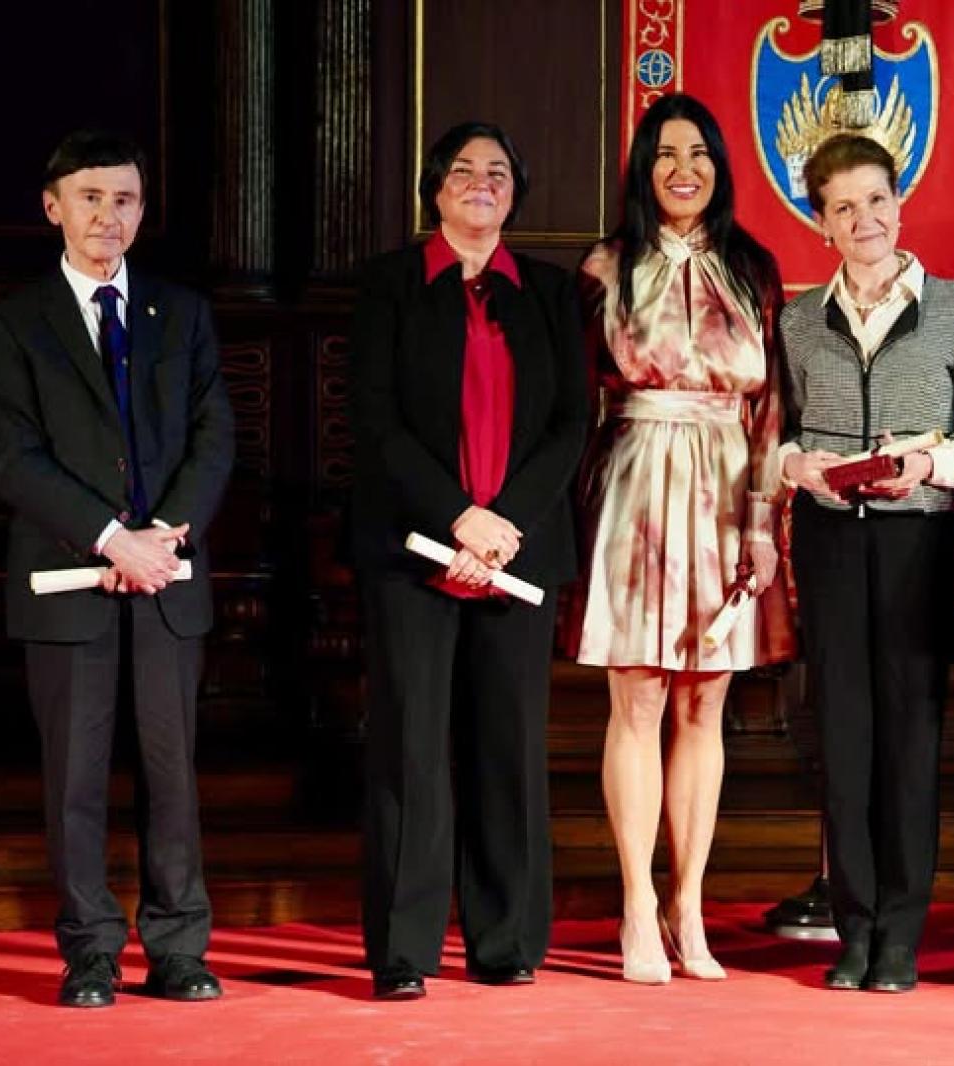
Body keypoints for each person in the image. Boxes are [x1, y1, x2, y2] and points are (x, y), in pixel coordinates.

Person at [0, 130, 235, 1007]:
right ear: (53, 206)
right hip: (67, 582)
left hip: (166, 580)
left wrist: (159, 539)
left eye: (123, 199)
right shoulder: (16, 322)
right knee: (76, 779)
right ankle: (90, 952)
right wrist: (108, 538)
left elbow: (213, 436)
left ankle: (178, 948)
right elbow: (13, 458)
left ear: (141, 209)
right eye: (90, 198)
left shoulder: (182, 314)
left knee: (172, 775)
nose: (107, 216)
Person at [349, 121, 588, 1000]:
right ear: (434, 187)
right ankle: (403, 952)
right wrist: (456, 518)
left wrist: (503, 525)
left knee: (508, 746)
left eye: (497, 172)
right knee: (411, 749)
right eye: (462, 169)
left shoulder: (552, 293)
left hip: (519, 554)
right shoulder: (388, 285)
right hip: (412, 547)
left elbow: (571, 422)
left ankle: (506, 940)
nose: (480, 183)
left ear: (515, 191)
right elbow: (375, 419)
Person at [566, 92, 794, 984]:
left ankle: (687, 903)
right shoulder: (605, 267)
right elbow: (574, 398)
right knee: (638, 701)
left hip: (729, 485)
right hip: (633, 479)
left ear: (720, 167)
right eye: (665, 154)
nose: (683, 169)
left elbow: (772, 408)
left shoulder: (753, 268)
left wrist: (763, 522)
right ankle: (634, 903)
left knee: (706, 703)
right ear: (642, 168)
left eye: (698, 153)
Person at [779, 133, 954, 993]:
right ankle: (855, 929)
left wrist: (930, 461)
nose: (863, 218)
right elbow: (779, 430)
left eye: (876, 200)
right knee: (843, 733)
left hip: (919, 538)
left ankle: (901, 934)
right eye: (843, 207)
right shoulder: (799, 320)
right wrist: (795, 466)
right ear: (821, 223)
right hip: (830, 539)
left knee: (910, 732)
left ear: (899, 204)